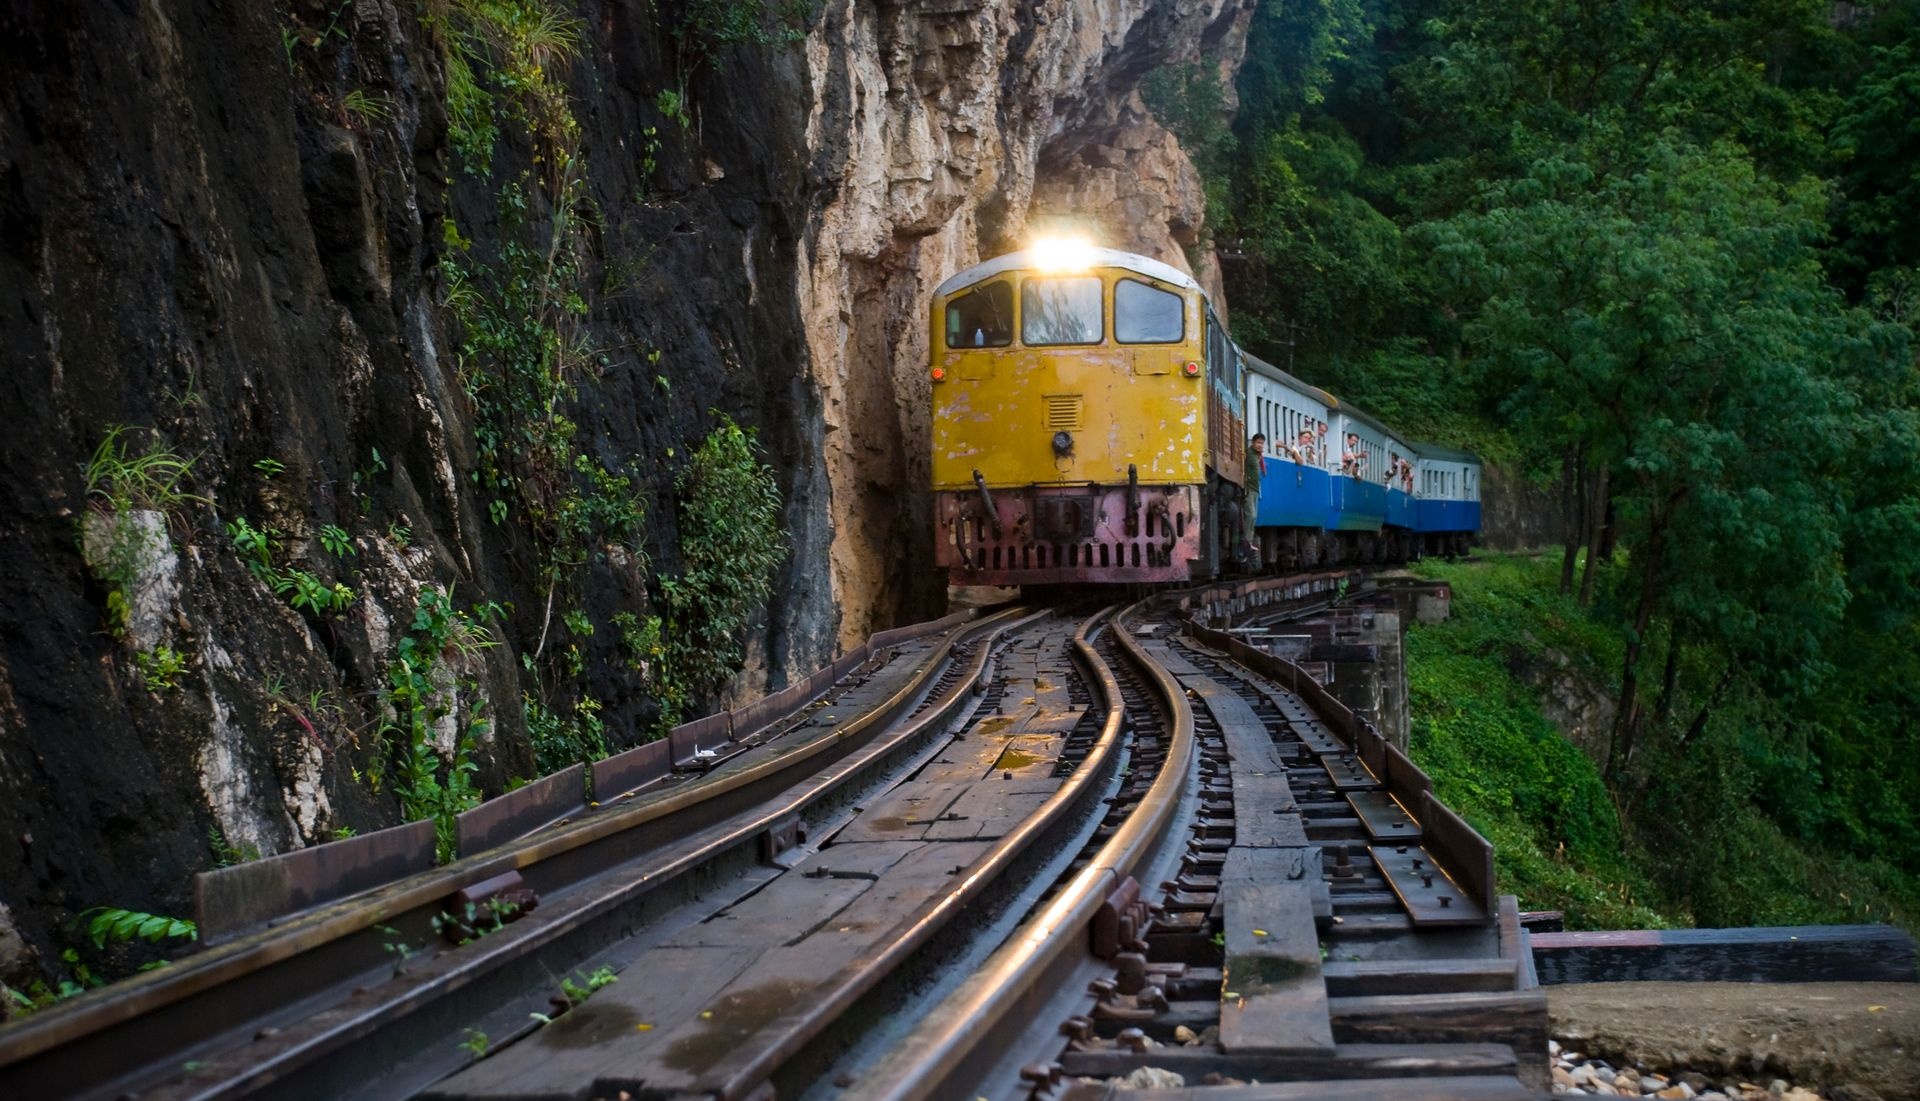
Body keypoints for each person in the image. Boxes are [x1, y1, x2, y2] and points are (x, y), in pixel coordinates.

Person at [1245, 433, 1267, 559]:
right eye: (1258, 443)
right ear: (1253, 443)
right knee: (1251, 514)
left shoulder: (1258, 455)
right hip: (1248, 488)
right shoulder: (1249, 454)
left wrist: (1264, 470)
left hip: (1255, 489)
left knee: (1254, 517)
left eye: (1262, 443)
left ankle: (1249, 541)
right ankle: (1247, 541)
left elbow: (1261, 463)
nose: (1260, 445)